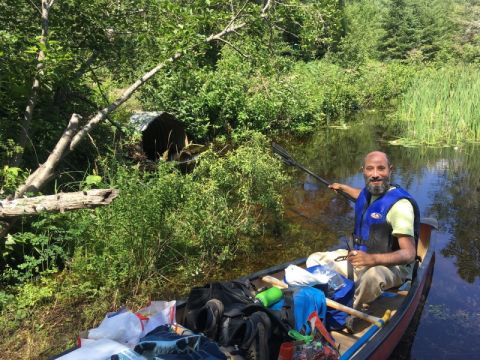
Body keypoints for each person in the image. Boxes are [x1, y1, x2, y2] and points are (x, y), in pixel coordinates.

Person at [306, 151, 420, 330]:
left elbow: (409, 253)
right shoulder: (369, 192)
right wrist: (343, 187)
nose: (375, 174)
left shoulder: (400, 206)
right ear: (363, 171)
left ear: (391, 170)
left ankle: (352, 312)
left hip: (391, 267)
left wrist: (372, 260)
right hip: (361, 258)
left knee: (372, 278)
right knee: (314, 259)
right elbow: (360, 195)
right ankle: (342, 292)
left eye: (381, 168)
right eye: (370, 169)